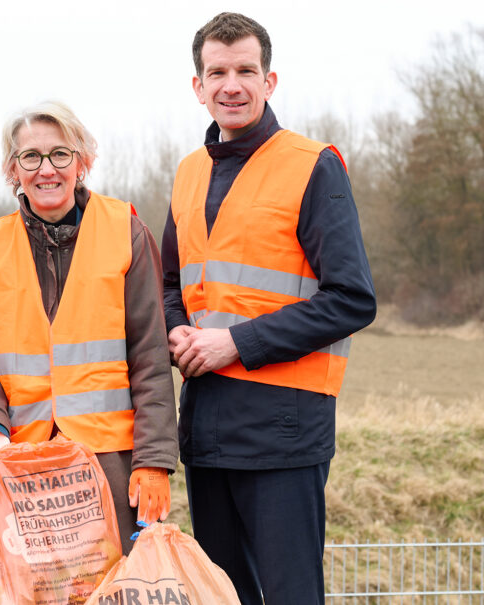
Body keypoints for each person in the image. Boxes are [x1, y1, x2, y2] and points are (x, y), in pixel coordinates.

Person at [161, 12, 377, 604]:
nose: (231, 85)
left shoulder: (313, 165)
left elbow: (352, 298)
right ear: (198, 86)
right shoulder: (188, 173)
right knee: (223, 596)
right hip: (207, 428)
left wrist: (235, 342)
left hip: (285, 430)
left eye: (245, 71)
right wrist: (176, 330)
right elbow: (171, 283)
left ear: (269, 80)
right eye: (217, 73)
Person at [0, 101, 178, 552]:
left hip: (111, 468)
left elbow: (150, 357)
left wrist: (154, 461)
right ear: (12, 169)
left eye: (60, 154)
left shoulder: (128, 234)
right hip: (18, 466)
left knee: (112, 584)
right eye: (30, 156)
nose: (46, 169)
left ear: (83, 162)